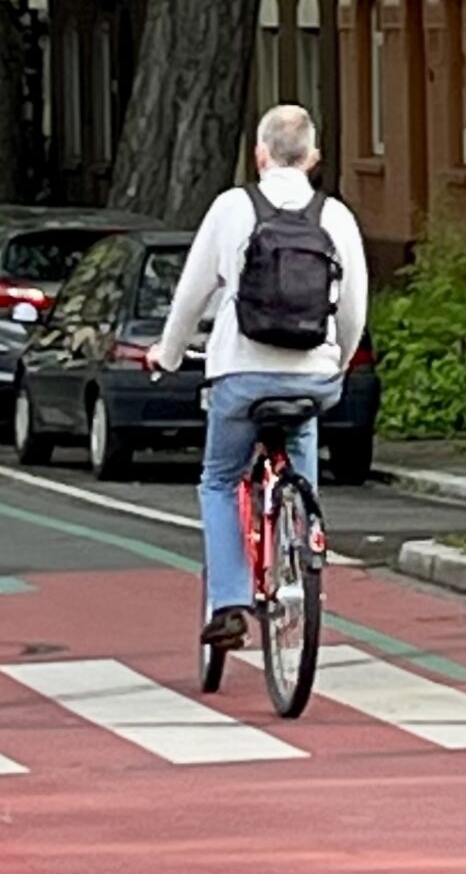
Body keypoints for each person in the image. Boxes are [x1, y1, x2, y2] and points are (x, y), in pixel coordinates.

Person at [152, 104, 369, 652]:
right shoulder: (335, 215)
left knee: (220, 481)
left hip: (240, 376)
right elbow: (354, 308)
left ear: (260, 153)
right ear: (313, 158)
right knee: (301, 446)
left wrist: (169, 354)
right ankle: (304, 540)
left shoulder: (232, 208)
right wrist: (337, 361)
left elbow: (191, 295)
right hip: (313, 377)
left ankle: (227, 601)